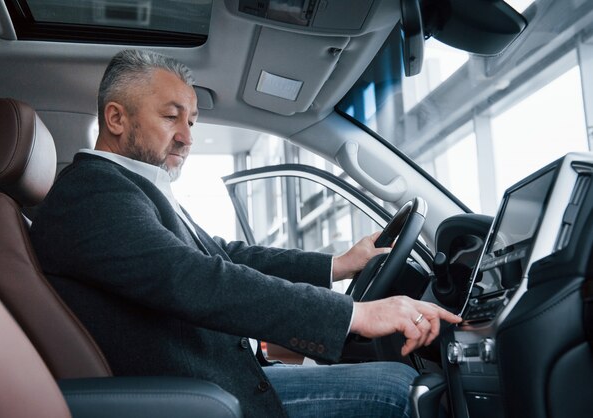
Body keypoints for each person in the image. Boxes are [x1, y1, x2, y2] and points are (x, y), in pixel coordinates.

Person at [30, 49, 461, 417]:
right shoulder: (93, 193)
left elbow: (222, 255)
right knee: (399, 391)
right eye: (170, 117)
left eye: (193, 122)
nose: (186, 137)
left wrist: (339, 265)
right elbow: (195, 278)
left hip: (216, 378)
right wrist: (356, 315)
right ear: (116, 118)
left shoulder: (128, 187)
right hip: (199, 395)